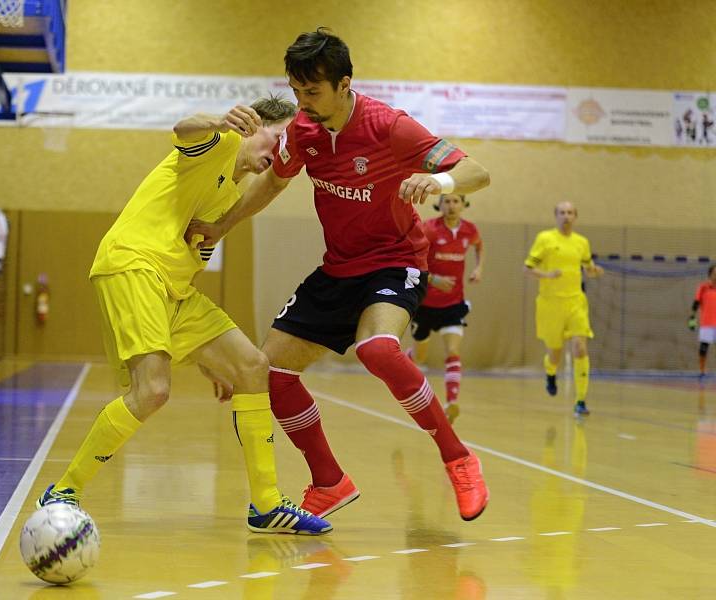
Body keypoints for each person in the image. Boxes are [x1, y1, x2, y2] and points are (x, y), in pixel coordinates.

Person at [186, 28, 491, 522]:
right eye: (295, 91)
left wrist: (435, 180)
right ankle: (329, 480)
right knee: (272, 372)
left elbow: (477, 171)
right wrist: (222, 225)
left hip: (395, 260)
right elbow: (271, 184)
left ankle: (458, 457)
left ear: (345, 84)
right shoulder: (303, 132)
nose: (302, 103)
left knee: (377, 349)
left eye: (312, 92)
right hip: (339, 268)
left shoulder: (390, 127)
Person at [36, 96, 332, 535]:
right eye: (278, 135)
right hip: (133, 265)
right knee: (152, 391)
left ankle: (267, 504)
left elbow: (192, 259)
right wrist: (219, 121)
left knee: (251, 367)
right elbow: (184, 129)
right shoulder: (220, 143)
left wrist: (205, 355)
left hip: (175, 289)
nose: (282, 147)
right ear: (254, 126)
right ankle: (64, 490)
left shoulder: (228, 197)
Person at [406, 193, 484, 424]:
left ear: (463, 204)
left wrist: (479, 268)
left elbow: (479, 246)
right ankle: (404, 362)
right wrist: (434, 279)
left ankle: (451, 402)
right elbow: (411, 261)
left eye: (455, 201)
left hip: (453, 303)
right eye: (446, 201)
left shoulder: (470, 230)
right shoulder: (429, 229)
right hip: (425, 304)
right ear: (439, 205)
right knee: (420, 356)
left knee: (453, 351)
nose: (451, 206)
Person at [524, 202, 603, 416]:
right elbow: (528, 268)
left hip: (576, 301)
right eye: (562, 213)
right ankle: (550, 371)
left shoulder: (582, 243)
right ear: (555, 216)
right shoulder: (545, 239)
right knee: (555, 355)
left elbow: (588, 267)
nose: (566, 216)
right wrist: (547, 275)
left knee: (580, 348)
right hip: (550, 304)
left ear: (575, 216)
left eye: (570, 213)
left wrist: (595, 271)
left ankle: (580, 401)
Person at [689, 264, 716, 378]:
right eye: (715, 272)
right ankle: (702, 371)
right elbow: (696, 303)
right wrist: (692, 319)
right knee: (703, 348)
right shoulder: (703, 287)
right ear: (710, 274)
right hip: (707, 323)